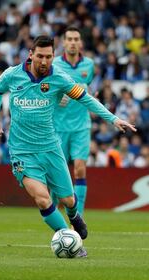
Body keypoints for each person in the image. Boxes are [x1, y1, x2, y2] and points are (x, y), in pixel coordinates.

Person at [0, 35, 135, 257]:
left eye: (48, 56)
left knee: (68, 199)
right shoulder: (12, 74)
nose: (44, 61)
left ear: (53, 56)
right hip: (22, 152)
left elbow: (85, 98)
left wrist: (112, 119)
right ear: (31, 54)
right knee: (42, 198)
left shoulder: (59, 78)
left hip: (51, 149)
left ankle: (75, 215)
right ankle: (70, 239)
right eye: (40, 56)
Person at [52, 26, 95, 217]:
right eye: (69, 39)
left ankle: (78, 218)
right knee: (55, 175)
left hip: (81, 126)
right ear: (63, 42)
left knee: (79, 170)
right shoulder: (54, 65)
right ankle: (52, 214)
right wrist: (56, 97)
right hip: (58, 127)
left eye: (76, 39)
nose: (72, 42)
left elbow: (87, 90)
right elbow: (46, 90)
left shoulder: (89, 65)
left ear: (81, 43)